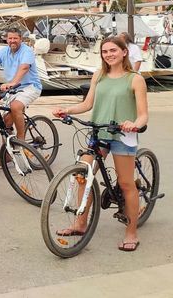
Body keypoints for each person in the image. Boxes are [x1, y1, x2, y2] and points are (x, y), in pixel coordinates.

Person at [52, 35, 148, 252]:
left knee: (126, 184)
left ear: (124, 52)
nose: (109, 55)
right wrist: (66, 110)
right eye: (105, 51)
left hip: (123, 135)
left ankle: (132, 232)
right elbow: (87, 104)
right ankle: (80, 224)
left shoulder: (135, 79)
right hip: (99, 132)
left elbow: (143, 115)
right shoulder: (99, 75)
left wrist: (133, 124)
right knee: (82, 174)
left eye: (113, 50)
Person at [0, 26, 42, 168]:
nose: (12, 41)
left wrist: (13, 82)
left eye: (15, 38)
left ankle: (21, 142)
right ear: (6, 39)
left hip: (30, 86)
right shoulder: (4, 51)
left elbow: (24, 68)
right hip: (12, 88)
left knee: (15, 106)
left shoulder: (27, 51)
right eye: (10, 38)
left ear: (21, 39)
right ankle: (7, 155)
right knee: (4, 122)